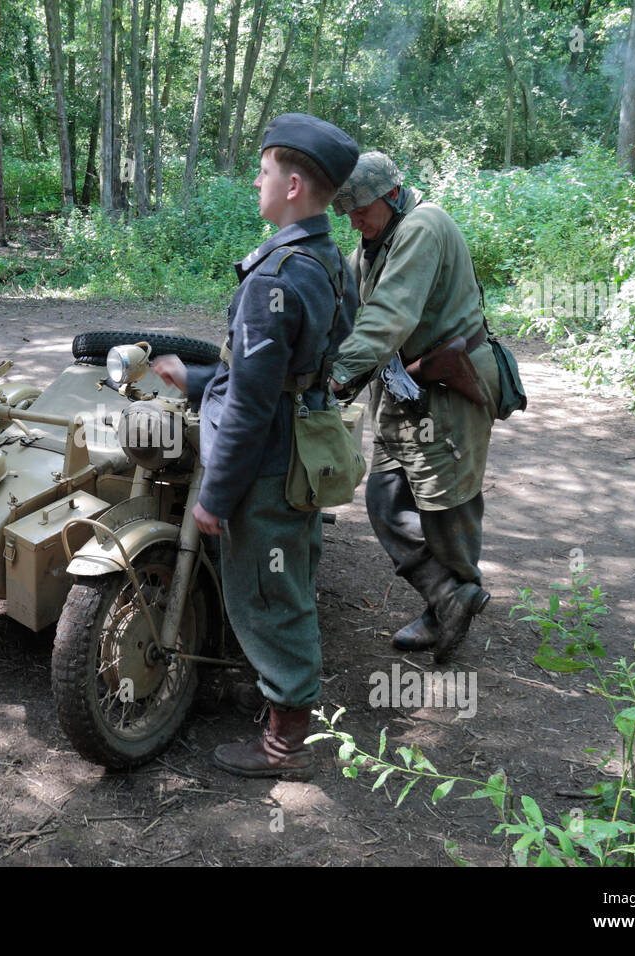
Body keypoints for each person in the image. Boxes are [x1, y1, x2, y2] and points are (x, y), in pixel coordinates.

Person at [153, 114, 359, 779]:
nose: (256, 178)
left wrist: (214, 497)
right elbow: (292, 372)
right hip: (303, 451)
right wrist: (201, 376)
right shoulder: (328, 260)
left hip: (267, 465)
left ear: (294, 184)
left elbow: (250, 404)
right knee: (291, 575)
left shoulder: (275, 276)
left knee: (271, 598)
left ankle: (285, 745)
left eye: (264, 169)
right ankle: (284, 713)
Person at [329, 152, 500, 665]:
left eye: (360, 209)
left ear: (392, 195)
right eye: (347, 211)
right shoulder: (373, 243)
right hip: (403, 389)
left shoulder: (424, 226)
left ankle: (457, 594)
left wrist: (338, 375)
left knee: (447, 506)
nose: (353, 219)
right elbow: (351, 312)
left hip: (447, 387)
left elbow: (389, 315)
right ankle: (449, 596)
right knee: (385, 499)